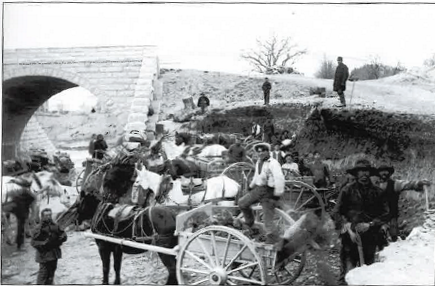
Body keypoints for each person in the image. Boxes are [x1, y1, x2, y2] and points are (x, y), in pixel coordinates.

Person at [333, 159, 389, 285]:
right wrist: (346, 226)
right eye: (361, 171)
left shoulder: (378, 192)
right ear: (356, 174)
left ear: (370, 173)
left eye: (366, 171)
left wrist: (370, 225)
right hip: (350, 238)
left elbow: (386, 214)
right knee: (348, 275)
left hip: (371, 237)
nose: (364, 174)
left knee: (369, 275)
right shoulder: (347, 190)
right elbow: (336, 212)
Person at [238, 143, 285, 244]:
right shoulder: (259, 162)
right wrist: (250, 186)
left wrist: (277, 194)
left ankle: (273, 240)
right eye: (258, 152)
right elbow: (256, 176)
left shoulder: (273, 163)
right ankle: (250, 223)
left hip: (269, 192)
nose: (260, 153)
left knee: (267, 220)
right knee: (242, 203)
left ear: (268, 152)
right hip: (259, 189)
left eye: (263, 151)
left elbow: (279, 178)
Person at [376, 164, 431, 243]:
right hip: (376, 218)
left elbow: (408, 184)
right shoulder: (373, 185)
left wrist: (419, 183)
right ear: (378, 173)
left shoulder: (395, 184)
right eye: (381, 171)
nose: (384, 173)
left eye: (386, 171)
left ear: (389, 173)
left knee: (393, 240)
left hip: (391, 218)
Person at [31, 208, 67, 285]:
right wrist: (43, 243)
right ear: (42, 217)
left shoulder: (55, 226)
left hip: (54, 254)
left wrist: (62, 237)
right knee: (43, 275)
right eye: (46, 215)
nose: (49, 217)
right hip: (44, 255)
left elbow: (63, 234)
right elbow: (33, 242)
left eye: (50, 215)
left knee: (51, 273)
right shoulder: (38, 228)